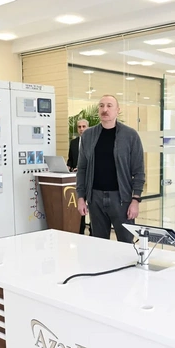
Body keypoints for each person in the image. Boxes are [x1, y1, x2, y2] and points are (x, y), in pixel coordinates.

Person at [75, 95, 145, 243]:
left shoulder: (130, 135)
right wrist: (81, 198)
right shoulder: (88, 135)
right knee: (99, 243)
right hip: (95, 198)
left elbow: (138, 171)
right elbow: (82, 169)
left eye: (109, 105)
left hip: (121, 199)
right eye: (101, 106)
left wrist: (135, 200)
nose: (104, 109)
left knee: (126, 243)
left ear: (117, 110)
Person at [68, 119, 89, 234]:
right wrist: (69, 167)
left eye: (84, 126)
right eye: (79, 127)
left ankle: (93, 231)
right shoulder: (73, 143)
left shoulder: (92, 141)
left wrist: (82, 169)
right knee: (80, 205)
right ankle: (79, 230)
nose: (81, 129)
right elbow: (70, 160)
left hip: (89, 179)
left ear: (88, 127)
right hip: (76, 180)